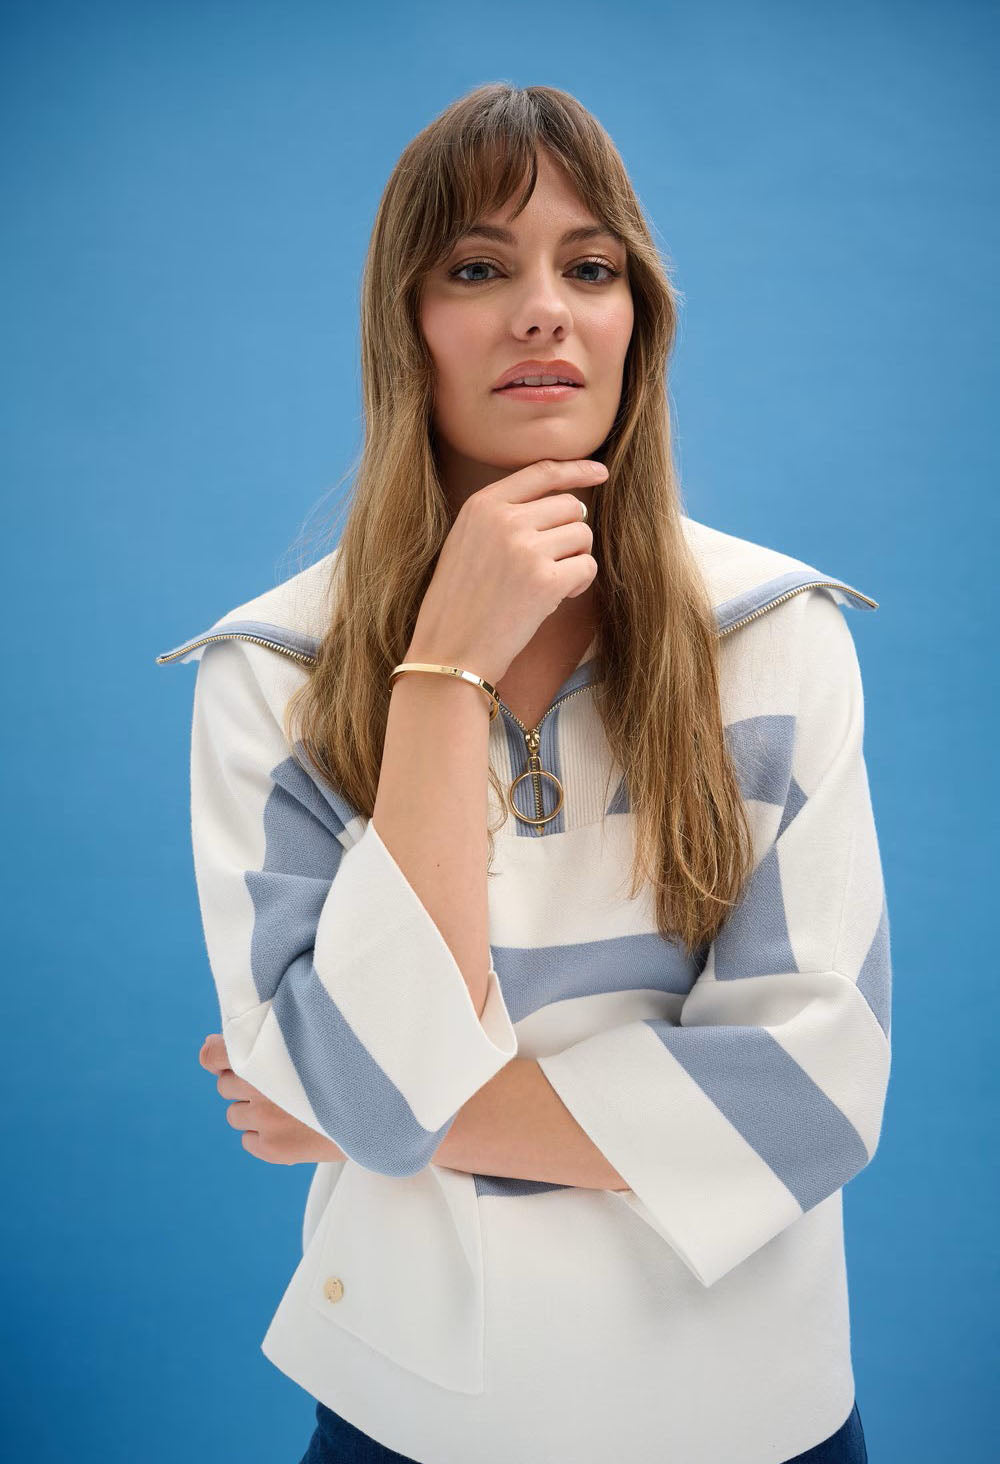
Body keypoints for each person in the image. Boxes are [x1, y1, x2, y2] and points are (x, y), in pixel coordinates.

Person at [158, 83, 889, 1464]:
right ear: (406, 330)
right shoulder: (272, 668)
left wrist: (381, 1113)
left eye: (591, 267)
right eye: (480, 268)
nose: (545, 309)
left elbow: (810, 1101)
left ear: (638, 323)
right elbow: (368, 1093)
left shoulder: (778, 635)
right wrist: (443, 671)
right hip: (412, 1414)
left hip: (759, 1415)